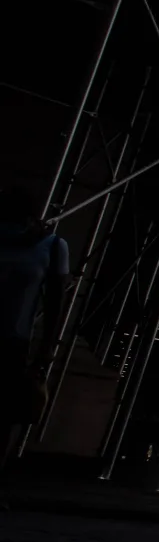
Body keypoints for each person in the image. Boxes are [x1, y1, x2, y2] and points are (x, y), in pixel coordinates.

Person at [0, 187, 69, 496]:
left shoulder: (52, 246)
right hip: (14, 340)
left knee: (5, 418)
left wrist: (46, 349)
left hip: (12, 344)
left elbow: (56, 304)